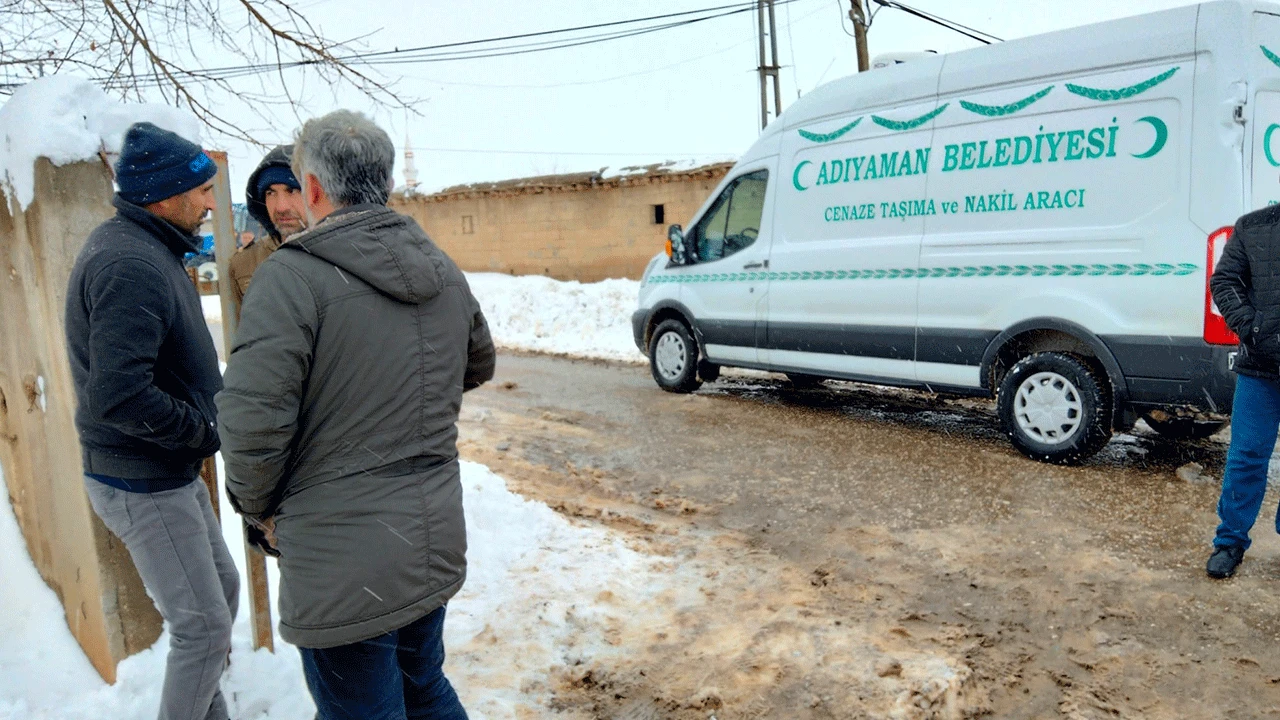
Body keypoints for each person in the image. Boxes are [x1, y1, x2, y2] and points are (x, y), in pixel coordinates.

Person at [217, 109, 496, 718]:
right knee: (424, 686)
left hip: (339, 557)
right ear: (386, 184)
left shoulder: (291, 277)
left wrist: (260, 510)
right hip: (429, 533)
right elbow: (476, 362)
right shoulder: (440, 268)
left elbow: (251, 422)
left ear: (314, 189)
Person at [64, 122, 239, 720]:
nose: (211, 203)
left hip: (166, 471)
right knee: (203, 629)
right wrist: (201, 431)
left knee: (221, 598)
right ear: (165, 195)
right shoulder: (130, 263)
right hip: (142, 479)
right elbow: (117, 395)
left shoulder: (148, 248)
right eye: (203, 190)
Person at [1207, 205, 1280, 579]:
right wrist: (1253, 329)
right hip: (1260, 367)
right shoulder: (1254, 226)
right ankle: (1230, 541)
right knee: (1247, 456)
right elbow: (1224, 281)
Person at [227, 145, 307, 313]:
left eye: (292, 190)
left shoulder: (341, 253)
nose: (281, 207)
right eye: (270, 193)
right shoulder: (244, 264)